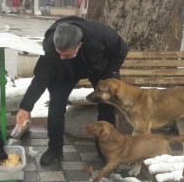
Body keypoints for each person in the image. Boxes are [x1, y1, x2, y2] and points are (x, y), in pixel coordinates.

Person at [16, 16, 129, 165]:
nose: (62, 57)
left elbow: (122, 50)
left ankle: (105, 150)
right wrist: (25, 107)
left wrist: (110, 74)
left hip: (97, 67)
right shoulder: (51, 47)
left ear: (79, 45)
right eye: (59, 53)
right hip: (66, 72)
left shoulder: (100, 36)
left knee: (106, 106)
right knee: (56, 105)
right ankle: (54, 149)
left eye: (66, 54)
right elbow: (40, 78)